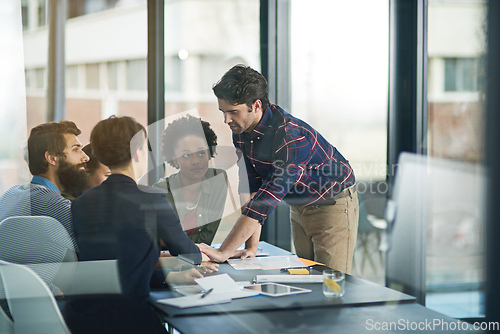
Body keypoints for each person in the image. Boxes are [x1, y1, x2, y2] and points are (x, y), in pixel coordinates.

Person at [199, 65, 359, 274]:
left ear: (256, 105)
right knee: (308, 277)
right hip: (300, 205)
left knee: (331, 284)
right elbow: (251, 188)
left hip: (333, 204)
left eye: (232, 112)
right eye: (223, 112)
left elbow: (264, 203)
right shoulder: (241, 131)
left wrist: (223, 251)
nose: (226, 120)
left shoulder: (291, 138)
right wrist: (250, 247)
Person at [65, 116, 210, 334]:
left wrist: (168, 277)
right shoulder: (153, 200)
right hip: (130, 321)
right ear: (138, 152)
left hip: (83, 320)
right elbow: (190, 256)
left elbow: (114, 269)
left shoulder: (81, 204)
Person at [0, 120, 89, 250]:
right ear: (52, 158)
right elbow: (88, 254)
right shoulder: (58, 206)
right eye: (75, 149)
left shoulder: (10, 195)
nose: (86, 157)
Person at [153, 115, 228, 245]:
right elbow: (163, 243)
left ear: (209, 154)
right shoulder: (161, 191)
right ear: (174, 159)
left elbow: (206, 238)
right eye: (186, 155)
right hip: (165, 261)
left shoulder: (217, 179)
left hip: (199, 259)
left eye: (201, 153)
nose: (196, 161)